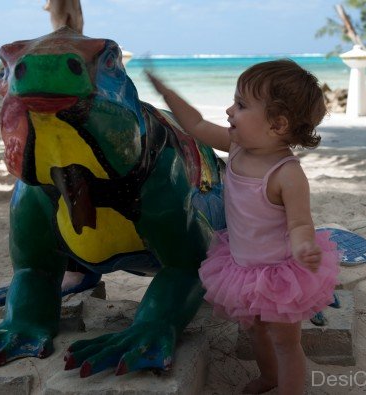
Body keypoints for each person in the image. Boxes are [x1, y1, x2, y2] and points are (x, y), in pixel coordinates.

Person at [147, 59, 339, 395]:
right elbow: (194, 124)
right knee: (256, 331)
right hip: (242, 267)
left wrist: (304, 246)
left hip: (280, 274)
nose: (229, 110)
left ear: (277, 124)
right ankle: (269, 378)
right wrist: (167, 93)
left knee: (285, 340)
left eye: (241, 105)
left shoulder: (287, 174)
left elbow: (300, 223)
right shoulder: (236, 147)